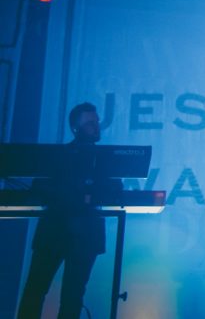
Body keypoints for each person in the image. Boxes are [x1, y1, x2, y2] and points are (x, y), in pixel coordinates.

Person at [17, 102, 121, 319]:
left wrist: (82, 193)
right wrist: (82, 194)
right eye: (90, 123)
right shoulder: (58, 155)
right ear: (76, 128)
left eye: (97, 122)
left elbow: (114, 188)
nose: (96, 126)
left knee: (72, 296)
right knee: (36, 289)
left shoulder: (104, 158)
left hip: (85, 234)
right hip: (55, 230)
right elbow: (41, 185)